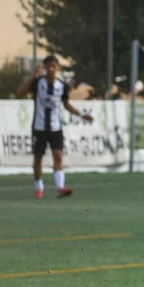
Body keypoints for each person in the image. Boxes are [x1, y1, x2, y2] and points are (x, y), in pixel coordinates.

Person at [15, 55, 92, 199]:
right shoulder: (38, 83)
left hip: (56, 127)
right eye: (48, 66)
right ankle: (39, 188)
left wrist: (82, 114)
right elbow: (20, 92)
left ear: (57, 68)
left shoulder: (62, 86)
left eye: (53, 66)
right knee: (38, 158)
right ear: (44, 68)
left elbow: (66, 105)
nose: (51, 69)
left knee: (58, 155)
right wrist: (33, 76)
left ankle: (60, 187)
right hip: (39, 127)